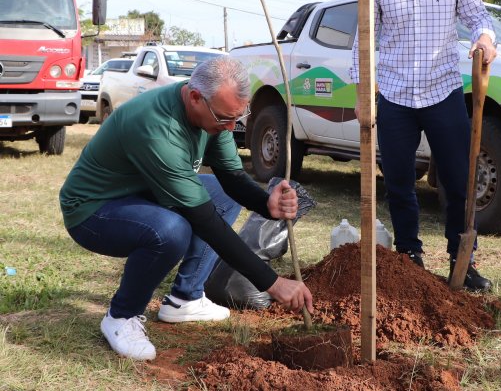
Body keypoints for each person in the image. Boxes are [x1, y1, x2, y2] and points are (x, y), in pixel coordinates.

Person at [60, 56, 314, 361]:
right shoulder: (157, 128)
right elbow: (205, 221)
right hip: (93, 210)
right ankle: (121, 317)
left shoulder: (213, 115)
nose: (231, 127)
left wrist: (265, 202)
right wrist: (272, 283)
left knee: (221, 193)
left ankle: (184, 299)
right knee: (170, 231)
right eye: (224, 118)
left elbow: (232, 178)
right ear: (195, 97)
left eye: (238, 117)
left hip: (143, 195)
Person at [349, 0, 497, 292]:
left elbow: (480, 18)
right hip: (396, 96)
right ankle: (409, 257)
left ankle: (461, 259)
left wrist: (485, 36)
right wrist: (362, 91)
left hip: (442, 91)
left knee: (458, 180)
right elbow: (364, 39)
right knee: (398, 180)